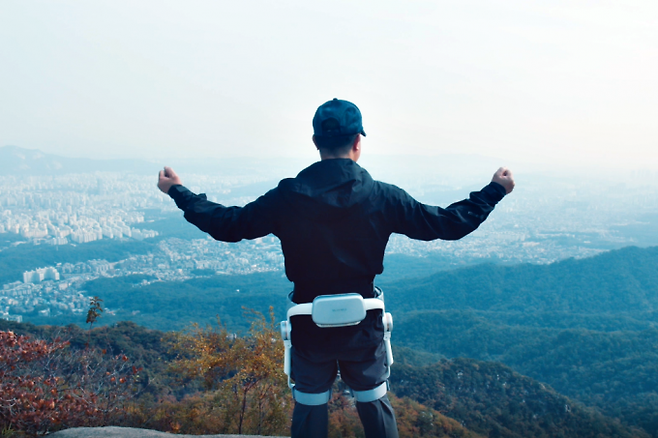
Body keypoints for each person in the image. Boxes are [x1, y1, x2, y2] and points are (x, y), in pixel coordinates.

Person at [157, 98, 515, 438]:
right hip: (364, 324)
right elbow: (448, 224)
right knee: (373, 400)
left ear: (315, 142)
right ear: (358, 142)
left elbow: (229, 224)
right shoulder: (382, 196)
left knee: (310, 404)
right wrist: (494, 190)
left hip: (309, 325)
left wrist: (178, 191)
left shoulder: (288, 197)